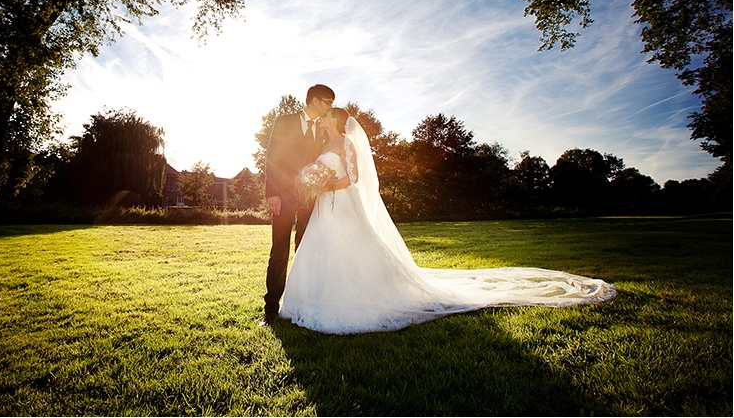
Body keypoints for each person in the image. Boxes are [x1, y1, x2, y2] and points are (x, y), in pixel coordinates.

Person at [279, 107, 617, 334]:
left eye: (326, 118)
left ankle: (358, 300)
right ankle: (310, 303)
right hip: (326, 207)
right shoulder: (325, 144)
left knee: (354, 251)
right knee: (323, 251)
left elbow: (352, 178)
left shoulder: (347, 144)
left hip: (343, 203)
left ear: (337, 122)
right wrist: (315, 184)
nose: (321, 120)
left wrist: (325, 184)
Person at [261, 84, 335, 326]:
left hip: (310, 200)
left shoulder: (324, 130)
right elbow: (271, 156)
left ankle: (301, 306)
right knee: (279, 252)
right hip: (282, 197)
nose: (330, 107)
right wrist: (272, 193)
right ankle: (270, 309)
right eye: (328, 101)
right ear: (314, 100)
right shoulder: (284, 122)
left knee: (305, 251)